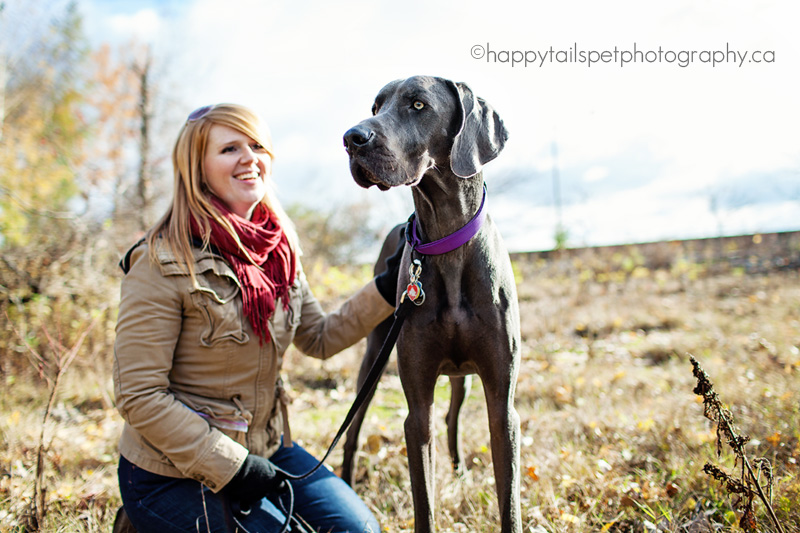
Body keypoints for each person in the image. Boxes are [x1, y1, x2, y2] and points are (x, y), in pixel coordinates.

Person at [113, 103, 401, 533]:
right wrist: (234, 468)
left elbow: (318, 338)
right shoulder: (161, 261)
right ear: (197, 167)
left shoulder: (278, 248)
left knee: (359, 530)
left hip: (263, 451)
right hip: (167, 472)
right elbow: (138, 395)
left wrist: (386, 287)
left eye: (257, 145)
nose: (250, 158)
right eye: (230, 148)